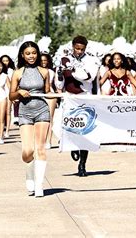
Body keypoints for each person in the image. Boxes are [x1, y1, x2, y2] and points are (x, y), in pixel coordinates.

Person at [10, 41, 50, 197]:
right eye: (28, 53)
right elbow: (11, 95)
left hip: (42, 111)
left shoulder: (45, 72)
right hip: (25, 112)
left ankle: (39, 185)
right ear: (22, 55)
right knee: (28, 151)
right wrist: (20, 92)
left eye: (34, 53)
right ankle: (29, 175)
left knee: (40, 148)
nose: (31, 56)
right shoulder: (18, 73)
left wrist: (63, 96)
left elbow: (47, 92)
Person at [55, 35, 99, 177]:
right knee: (68, 127)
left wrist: (71, 71)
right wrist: (61, 74)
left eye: (82, 49)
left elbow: (88, 77)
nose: (79, 51)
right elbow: (59, 84)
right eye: (77, 48)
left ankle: (82, 165)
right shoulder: (64, 59)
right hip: (69, 98)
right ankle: (73, 148)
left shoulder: (91, 60)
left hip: (85, 98)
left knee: (84, 131)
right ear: (72, 46)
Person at [41, 53, 57, 149]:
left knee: (49, 118)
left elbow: (56, 84)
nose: (43, 62)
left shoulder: (51, 72)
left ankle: (49, 141)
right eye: (41, 60)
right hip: (39, 94)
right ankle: (41, 140)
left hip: (50, 94)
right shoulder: (35, 71)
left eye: (45, 60)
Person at [0, 55, 16, 136]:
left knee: (8, 111)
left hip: (9, 91)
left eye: (6, 60)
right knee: (1, 112)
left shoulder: (11, 71)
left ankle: (7, 131)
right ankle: (1, 130)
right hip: (0, 92)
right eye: (3, 61)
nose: (5, 62)